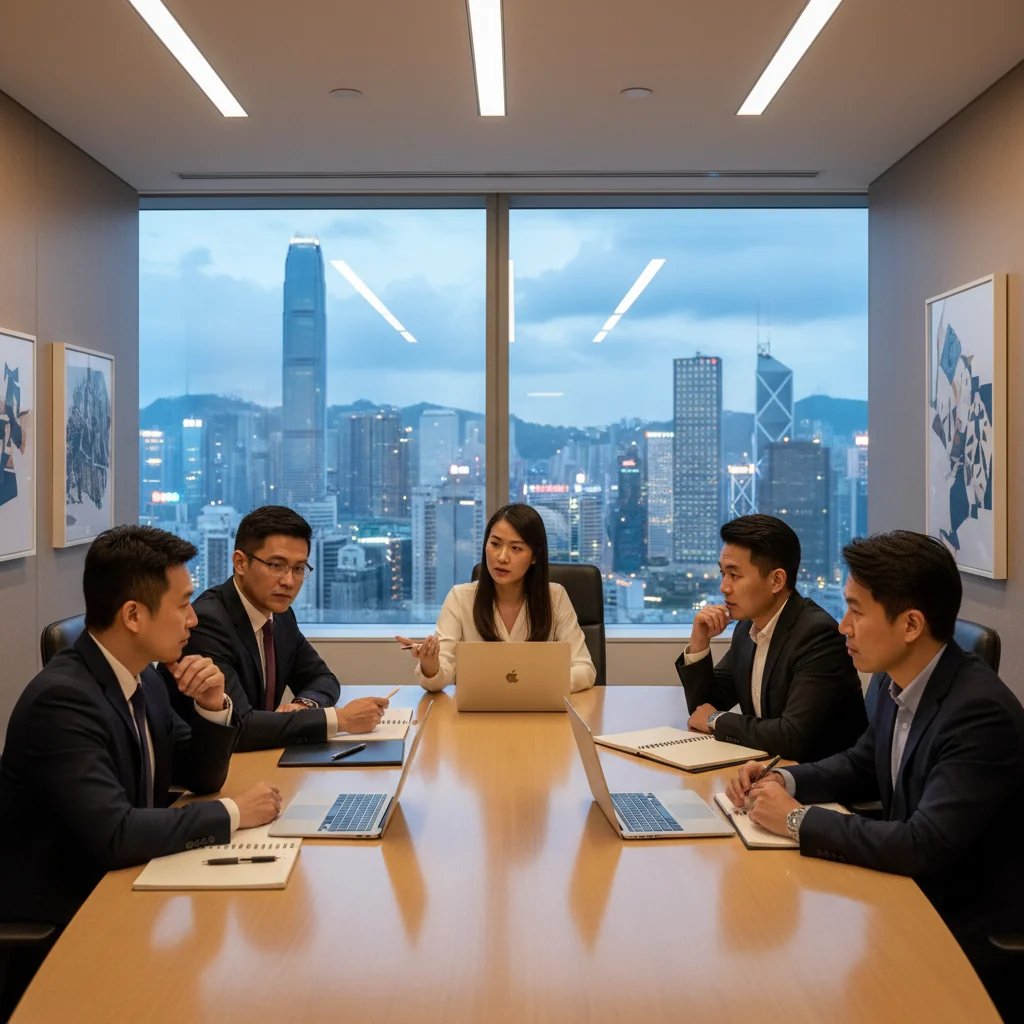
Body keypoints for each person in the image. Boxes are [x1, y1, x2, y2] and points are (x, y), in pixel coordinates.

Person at [726, 531, 1024, 1019]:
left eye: (856, 610)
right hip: (903, 899)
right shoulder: (896, 677)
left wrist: (797, 821)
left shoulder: (978, 714)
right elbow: (861, 762)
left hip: (960, 927)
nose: (843, 626)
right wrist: (785, 781)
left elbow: (923, 845)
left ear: (910, 624)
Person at [0, 527, 281, 1016]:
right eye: (183, 604)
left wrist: (214, 707)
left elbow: (200, 775)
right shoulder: (63, 700)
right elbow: (117, 833)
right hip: (70, 910)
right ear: (133, 614)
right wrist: (235, 812)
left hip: (129, 881)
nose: (193, 619)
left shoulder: (142, 677)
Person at [174, 506, 388, 752]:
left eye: (298, 568)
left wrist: (304, 706)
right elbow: (239, 726)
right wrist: (340, 720)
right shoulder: (207, 623)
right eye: (276, 565)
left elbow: (323, 679)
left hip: (259, 762)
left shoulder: (280, 616)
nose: (288, 581)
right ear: (240, 563)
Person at [675, 514, 865, 761]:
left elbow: (793, 737)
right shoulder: (746, 629)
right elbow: (703, 709)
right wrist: (699, 642)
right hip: (768, 774)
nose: (724, 587)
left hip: (824, 787)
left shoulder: (817, 634)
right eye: (723, 573)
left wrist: (715, 719)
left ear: (776, 580)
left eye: (734, 575)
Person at [398, 503, 595, 692]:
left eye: (515, 548)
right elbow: (439, 678)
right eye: (495, 544)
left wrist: (540, 687)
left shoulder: (555, 597)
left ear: (535, 556)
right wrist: (431, 664)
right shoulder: (460, 598)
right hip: (477, 718)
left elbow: (585, 669)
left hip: (540, 714)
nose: (501, 557)